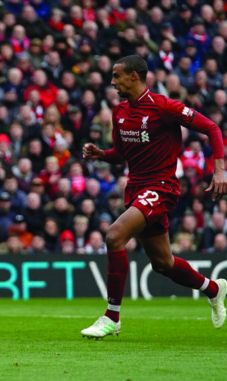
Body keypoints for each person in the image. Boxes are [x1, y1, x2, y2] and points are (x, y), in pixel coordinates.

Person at [80, 55, 227, 339]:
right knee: (162, 263)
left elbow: (213, 129)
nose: (112, 81)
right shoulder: (119, 111)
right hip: (136, 189)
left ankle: (112, 317)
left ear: (134, 76)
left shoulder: (163, 106)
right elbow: (120, 154)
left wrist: (220, 170)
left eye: (117, 75)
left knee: (114, 236)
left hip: (161, 187)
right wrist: (101, 154)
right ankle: (213, 289)